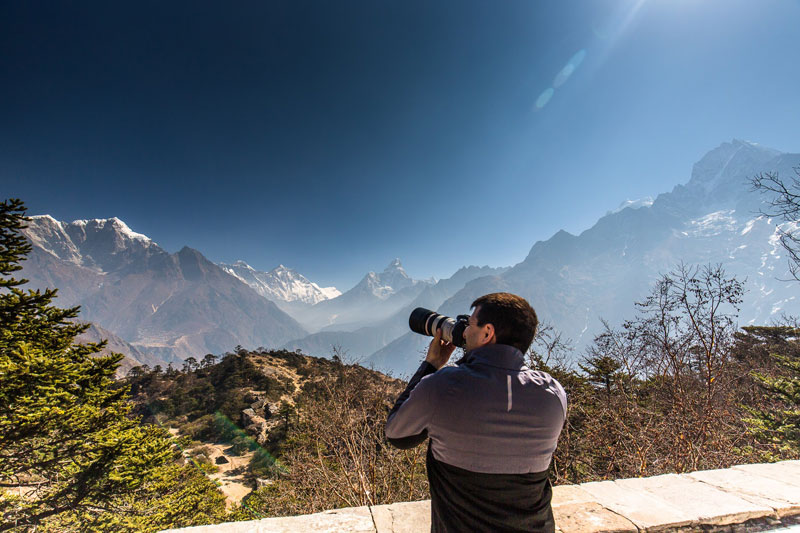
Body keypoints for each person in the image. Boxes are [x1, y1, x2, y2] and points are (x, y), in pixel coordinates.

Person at [385, 292, 567, 533]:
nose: (465, 331)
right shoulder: (553, 393)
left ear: (487, 333)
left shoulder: (443, 386)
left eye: (469, 324)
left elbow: (397, 435)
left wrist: (432, 365)